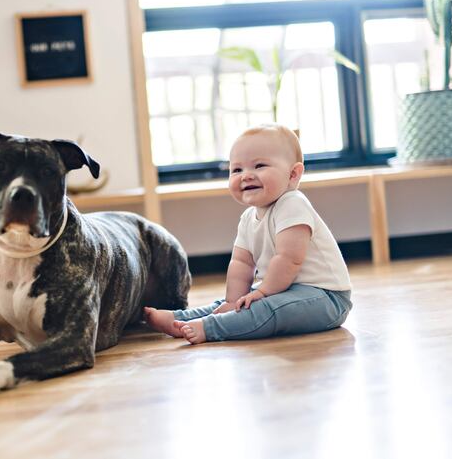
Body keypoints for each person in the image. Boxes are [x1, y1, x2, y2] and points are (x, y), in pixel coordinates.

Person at [144, 123, 352, 344]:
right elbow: (241, 263)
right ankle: (180, 319)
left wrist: (262, 292)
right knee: (237, 302)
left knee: (263, 308)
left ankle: (211, 327)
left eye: (259, 165)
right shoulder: (248, 218)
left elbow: (289, 259)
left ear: (292, 174)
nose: (246, 176)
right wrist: (234, 301)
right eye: (237, 170)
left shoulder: (293, 204)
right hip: (283, 290)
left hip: (326, 298)